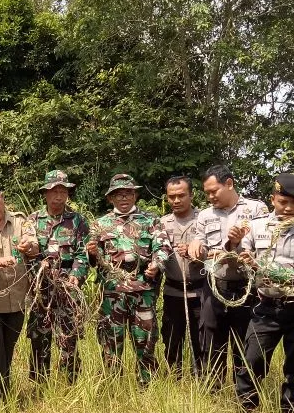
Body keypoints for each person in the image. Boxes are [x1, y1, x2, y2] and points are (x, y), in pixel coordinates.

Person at [234, 174, 294, 413]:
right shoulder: (256, 227)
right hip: (266, 307)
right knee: (252, 361)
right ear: (273, 199)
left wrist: (263, 267)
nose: (288, 208)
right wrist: (244, 257)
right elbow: (242, 256)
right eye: (283, 202)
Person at [187, 164, 269, 383]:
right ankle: (214, 391)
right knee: (211, 340)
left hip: (246, 288)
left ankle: (245, 393)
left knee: (245, 343)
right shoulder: (205, 215)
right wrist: (196, 247)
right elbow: (201, 244)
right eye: (206, 193)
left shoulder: (256, 209)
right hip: (215, 285)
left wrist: (237, 247)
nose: (210, 197)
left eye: (214, 191)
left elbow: (266, 248)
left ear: (229, 183)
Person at [88, 174, 172, 385]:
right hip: (112, 293)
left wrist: (156, 264)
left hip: (142, 290)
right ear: (110, 198)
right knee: (110, 342)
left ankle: (147, 387)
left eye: (128, 193)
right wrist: (92, 252)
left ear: (135, 195)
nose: (123, 198)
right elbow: (93, 258)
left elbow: (163, 247)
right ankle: (113, 387)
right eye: (118, 194)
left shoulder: (151, 220)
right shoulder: (100, 224)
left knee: (145, 342)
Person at [0, 181, 38, 401]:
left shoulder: (20, 221)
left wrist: (29, 246)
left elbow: (34, 246)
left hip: (17, 300)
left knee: (8, 350)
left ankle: (1, 392)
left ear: (2, 198)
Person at [26, 170, 90, 383]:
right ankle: (39, 385)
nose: (58, 196)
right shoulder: (33, 220)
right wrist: (39, 267)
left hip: (67, 290)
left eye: (63, 191)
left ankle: (70, 383)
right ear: (45, 193)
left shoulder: (78, 221)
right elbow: (25, 252)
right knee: (39, 338)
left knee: (69, 339)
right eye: (54, 191)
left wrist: (76, 275)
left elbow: (83, 254)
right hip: (41, 291)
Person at [159, 175, 203, 376]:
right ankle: (173, 381)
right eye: (171, 197)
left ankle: (202, 380)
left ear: (191, 195)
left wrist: (196, 254)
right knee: (171, 339)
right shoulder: (161, 223)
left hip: (200, 292)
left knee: (201, 340)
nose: (176, 200)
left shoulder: (204, 220)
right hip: (173, 291)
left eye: (181, 195)